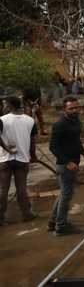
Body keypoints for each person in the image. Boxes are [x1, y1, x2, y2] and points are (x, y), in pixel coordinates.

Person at [48, 96, 84, 235]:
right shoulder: (59, 124)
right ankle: (61, 226)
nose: (74, 110)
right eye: (71, 108)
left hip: (74, 162)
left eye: (76, 107)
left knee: (64, 194)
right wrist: (68, 162)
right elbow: (53, 147)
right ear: (64, 109)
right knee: (66, 195)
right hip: (65, 166)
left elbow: (76, 141)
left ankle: (53, 221)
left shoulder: (76, 121)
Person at [0, 97, 38, 226]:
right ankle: (27, 214)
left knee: (3, 189)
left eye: (5, 104)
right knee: (21, 187)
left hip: (4, 159)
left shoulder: (2, 120)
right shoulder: (30, 120)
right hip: (22, 159)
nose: (4, 106)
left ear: (9, 105)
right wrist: (33, 155)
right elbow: (32, 141)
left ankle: (0, 217)